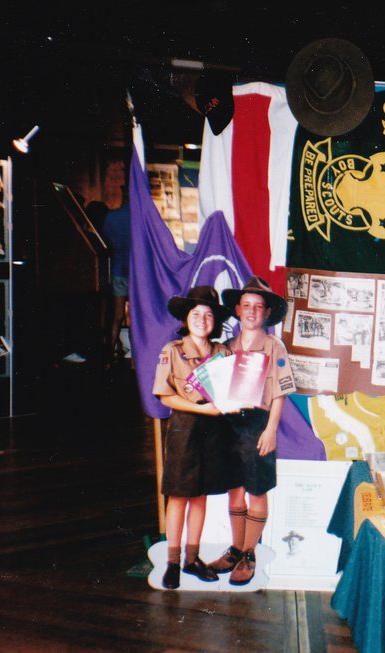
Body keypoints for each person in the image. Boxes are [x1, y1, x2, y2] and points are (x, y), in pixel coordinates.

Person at [209, 276, 295, 585]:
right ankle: (235, 548)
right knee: (235, 489)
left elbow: (281, 391)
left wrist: (271, 429)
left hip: (258, 423)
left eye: (258, 307)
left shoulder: (274, 346)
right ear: (237, 309)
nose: (251, 311)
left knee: (256, 489)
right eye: (246, 305)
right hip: (230, 425)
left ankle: (249, 554)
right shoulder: (226, 348)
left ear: (267, 313)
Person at [152, 286, 239, 590]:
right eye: (196, 314)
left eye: (209, 314)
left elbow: (234, 391)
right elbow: (165, 396)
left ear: (215, 321)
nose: (202, 320)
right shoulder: (172, 351)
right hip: (185, 428)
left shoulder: (223, 353)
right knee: (179, 495)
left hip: (214, 432)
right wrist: (202, 409)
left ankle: (192, 559)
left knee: (200, 495)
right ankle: (173, 562)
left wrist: (232, 403)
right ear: (186, 319)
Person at [100, 191, 131, 363]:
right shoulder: (140, 218)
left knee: (117, 316)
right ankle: (136, 357)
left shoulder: (111, 217)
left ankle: (108, 355)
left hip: (118, 269)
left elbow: (106, 241)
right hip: (135, 274)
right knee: (133, 316)